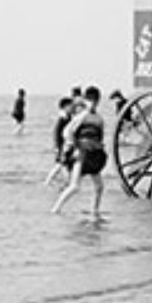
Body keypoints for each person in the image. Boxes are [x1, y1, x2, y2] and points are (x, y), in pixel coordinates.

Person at [51, 86, 108, 218]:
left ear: (98, 101)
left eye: (95, 100)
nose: (92, 103)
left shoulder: (99, 118)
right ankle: (55, 209)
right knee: (74, 186)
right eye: (89, 100)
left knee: (99, 187)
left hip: (94, 155)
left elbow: (100, 135)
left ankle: (95, 211)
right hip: (81, 155)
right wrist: (72, 148)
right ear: (85, 101)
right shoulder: (81, 117)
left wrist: (99, 147)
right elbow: (67, 132)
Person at [42, 96, 76, 186]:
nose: (73, 107)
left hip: (66, 145)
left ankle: (56, 182)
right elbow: (56, 133)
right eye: (71, 106)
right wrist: (57, 146)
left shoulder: (68, 117)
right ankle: (49, 182)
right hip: (62, 146)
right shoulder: (62, 118)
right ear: (65, 107)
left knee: (62, 165)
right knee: (61, 165)